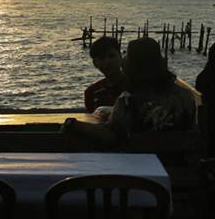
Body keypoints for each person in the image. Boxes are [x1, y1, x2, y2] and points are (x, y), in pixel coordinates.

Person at [63, 37, 196, 146]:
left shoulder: (128, 101)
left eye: (128, 55)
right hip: (177, 165)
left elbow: (111, 135)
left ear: (136, 64)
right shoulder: (186, 96)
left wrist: (73, 124)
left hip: (138, 167)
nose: (124, 59)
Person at [84, 36, 127, 112]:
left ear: (120, 57)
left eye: (111, 56)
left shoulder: (135, 86)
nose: (107, 61)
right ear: (95, 64)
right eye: (101, 58)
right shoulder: (92, 92)